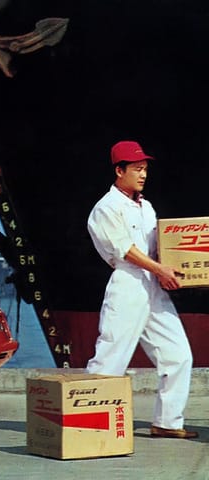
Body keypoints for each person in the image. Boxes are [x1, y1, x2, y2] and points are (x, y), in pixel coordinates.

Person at [86, 140, 197, 439]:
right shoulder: (106, 208)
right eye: (137, 169)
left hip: (153, 285)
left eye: (145, 168)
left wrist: (172, 265)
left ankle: (167, 423)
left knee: (178, 355)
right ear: (119, 170)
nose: (143, 174)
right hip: (129, 284)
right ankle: (87, 423)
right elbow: (125, 250)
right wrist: (159, 269)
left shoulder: (146, 207)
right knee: (111, 355)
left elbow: (156, 246)